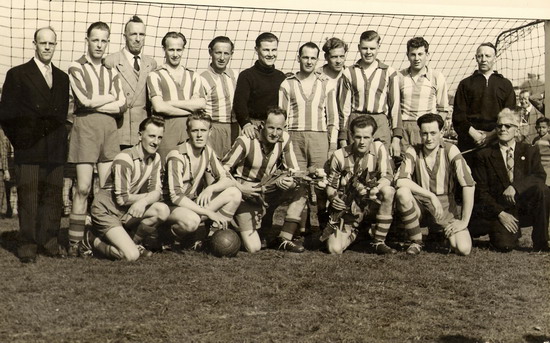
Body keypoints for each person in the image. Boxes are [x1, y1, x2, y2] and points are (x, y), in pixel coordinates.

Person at [0, 27, 70, 262]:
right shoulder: (18, 74)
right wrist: (23, 142)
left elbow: (61, 117)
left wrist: (60, 143)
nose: (47, 47)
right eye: (43, 43)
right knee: (28, 199)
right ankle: (28, 247)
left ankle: (49, 243)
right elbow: (7, 115)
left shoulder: (62, 77)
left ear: (56, 45)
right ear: (35, 44)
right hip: (29, 149)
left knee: (52, 198)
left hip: (55, 150)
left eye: (52, 43)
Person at [67, 21, 127, 257]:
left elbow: (122, 104)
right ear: (87, 40)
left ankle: (98, 239)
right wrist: (110, 97)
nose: (99, 45)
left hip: (109, 130)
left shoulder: (112, 71)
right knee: (82, 187)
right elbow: (84, 100)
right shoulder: (76, 67)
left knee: (105, 189)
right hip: (85, 129)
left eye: (104, 40)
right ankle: (74, 242)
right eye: (95, 40)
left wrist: (105, 100)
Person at [222, 107, 307, 253]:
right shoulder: (246, 140)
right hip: (246, 194)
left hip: (266, 190)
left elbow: (294, 171)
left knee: (300, 189)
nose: (275, 133)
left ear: (284, 128)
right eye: (271, 128)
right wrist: (240, 188)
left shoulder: (284, 139)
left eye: (279, 129)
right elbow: (222, 169)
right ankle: (234, 224)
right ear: (262, 124)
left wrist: (290, 181)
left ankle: (284, 238)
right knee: (254, 247)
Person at [85, 116, 169, 260]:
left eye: (159, 137)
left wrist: (143, 202)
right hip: (106, 211)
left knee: (163, 210)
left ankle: (133, 242)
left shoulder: (155, 158)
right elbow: (122, 199)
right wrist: (146, 198)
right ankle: (92, 240)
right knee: (130, 256)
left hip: (125, 210)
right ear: (140, 135)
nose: (155, 142)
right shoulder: (124, 159)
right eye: (152, 136)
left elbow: (157, 191)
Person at [279, 42, 338, 233]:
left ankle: (322, 224)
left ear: (317, 60)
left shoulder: (326, 83)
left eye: (313, 58)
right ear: (298, 58)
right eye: (305, 57)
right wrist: (285, 144)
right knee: (299, 183)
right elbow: (282, 118)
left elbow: (333, 118)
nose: (309, 61)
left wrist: (332, 144)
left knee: (321, 182)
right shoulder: (287, 84)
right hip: (295, 137)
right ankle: (299, 227)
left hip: (319, 137)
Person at [395, 113, 474, 256]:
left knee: (463, 248)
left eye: (433, 133)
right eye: (424, 134)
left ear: (441, 132)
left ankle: (439, 235)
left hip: (444, 206)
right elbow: (400, 180)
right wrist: (431, 196)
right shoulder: (413, 150)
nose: (429, 138)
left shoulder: (450, 149)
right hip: (420, 203)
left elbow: (468, 185)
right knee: (402, 193)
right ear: (419, 133)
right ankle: (416, 241)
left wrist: (464, 221)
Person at [471, 108, 549, 251]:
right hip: (501, 209)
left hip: (525, 208)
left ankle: (541, 243)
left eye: (508, 126)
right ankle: (503, 232)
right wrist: (500, 214)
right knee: (504, 246)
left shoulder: (530, 150)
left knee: (543, 190)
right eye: (499, 126)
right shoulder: (484, 155)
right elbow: (481, 192)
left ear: (517, 130)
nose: (503, 129)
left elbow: (539, 176)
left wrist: (515, 187)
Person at [164, 111, 242, 248]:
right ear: (188, 132)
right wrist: (208, 212)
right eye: (195, 131)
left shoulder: (207, 151)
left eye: (203, 130)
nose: (199, 135)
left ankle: (212, 238)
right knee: (191, 221)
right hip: (168, 207)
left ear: (210, 132)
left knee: (234, 193)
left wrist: (211, 188)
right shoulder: (176, 155)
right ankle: (166, 238)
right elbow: (175, 196)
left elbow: (227, 178)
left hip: (190, 203)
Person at [325, 115, 396, 254]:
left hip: (372, 203)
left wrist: (375, 187)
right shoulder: (339, 155)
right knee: (334, 249)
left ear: (373, 136)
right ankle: (358, 232)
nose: (362, 142)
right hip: (349, 209)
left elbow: (387, 176)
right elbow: (331, 186)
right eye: (358, 137)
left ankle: (378, 241)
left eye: (366, 137)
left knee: (388, 191)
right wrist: (333, 198)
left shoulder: (379, 148)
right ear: (351, 136)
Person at [338, 30, 402, 158]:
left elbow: (395, 107)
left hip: (380, 123)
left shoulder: (390, 72)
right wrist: (343, 138)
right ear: (359, 48)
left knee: (382, 163)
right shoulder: (349, 73)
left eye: (372, 48)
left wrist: (396, 138)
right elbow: (343, 109)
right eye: (364, 48)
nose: (368, 52)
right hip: (356, 122)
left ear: (379, 47)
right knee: (355, 165)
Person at [147, 31, 205, 162]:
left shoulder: (193, 75)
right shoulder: (155, 75)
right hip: (166, 130)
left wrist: (170, 102)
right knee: (166, 168)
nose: (175, 54)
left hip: (190, 130)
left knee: (190, 169)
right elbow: (159, 107)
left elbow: (201, 104)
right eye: (171, 50)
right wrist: (190, 108)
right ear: (164, 50)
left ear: (183, 49)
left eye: (179, 50)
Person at [452, 42, 516, 161]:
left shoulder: (505, 84)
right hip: (470, 142)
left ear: (494, 58)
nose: (483, 59)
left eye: (487, 56)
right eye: (480, 56)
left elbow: (510, 116)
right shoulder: (465, 84)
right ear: (476, 58)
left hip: (497, 140)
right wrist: (475, 135)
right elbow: (458, 116)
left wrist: (490, 136)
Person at [104, 15, 158, 150]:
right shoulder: (111, 61)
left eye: (142, 34)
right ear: (125, 36)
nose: (138, 39)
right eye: (133, 34)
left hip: (143, 133)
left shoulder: (151, 64)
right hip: (119, 130)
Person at [398, 37, 450, 151]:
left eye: (420, 54)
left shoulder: (436, 77)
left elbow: (443, 109)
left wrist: (433, 130)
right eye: (413, 54)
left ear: (427, 54)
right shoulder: (399, 76)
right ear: (407, 55)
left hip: (426, 129)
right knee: (403, 163)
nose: (417, 58)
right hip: (404, 128)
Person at [233, 32, 286, 140]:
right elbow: (239, 104)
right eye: (266, 50)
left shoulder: (281, 77)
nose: (270, 54)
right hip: (253, 128)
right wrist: (246, 124)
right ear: (256, 50)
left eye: (274, 50)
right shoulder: (246, 75)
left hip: (275, 127)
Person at [200, 36, 239, 158]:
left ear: (231, 54)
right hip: (215, 128)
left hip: (235, 128)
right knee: (214, 165)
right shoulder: (202, 78)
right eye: (218, 53)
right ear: (210, 52)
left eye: (226, 53)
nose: (222, 58)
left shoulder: (235, 75)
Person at [532, 117, 550, 185]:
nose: (541, 129)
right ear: (536, 128)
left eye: (543, 127)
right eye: (539, 127)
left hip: (548, 165)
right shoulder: (535, 139)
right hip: (538, 165)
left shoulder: (549, 138)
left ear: (548, 128)